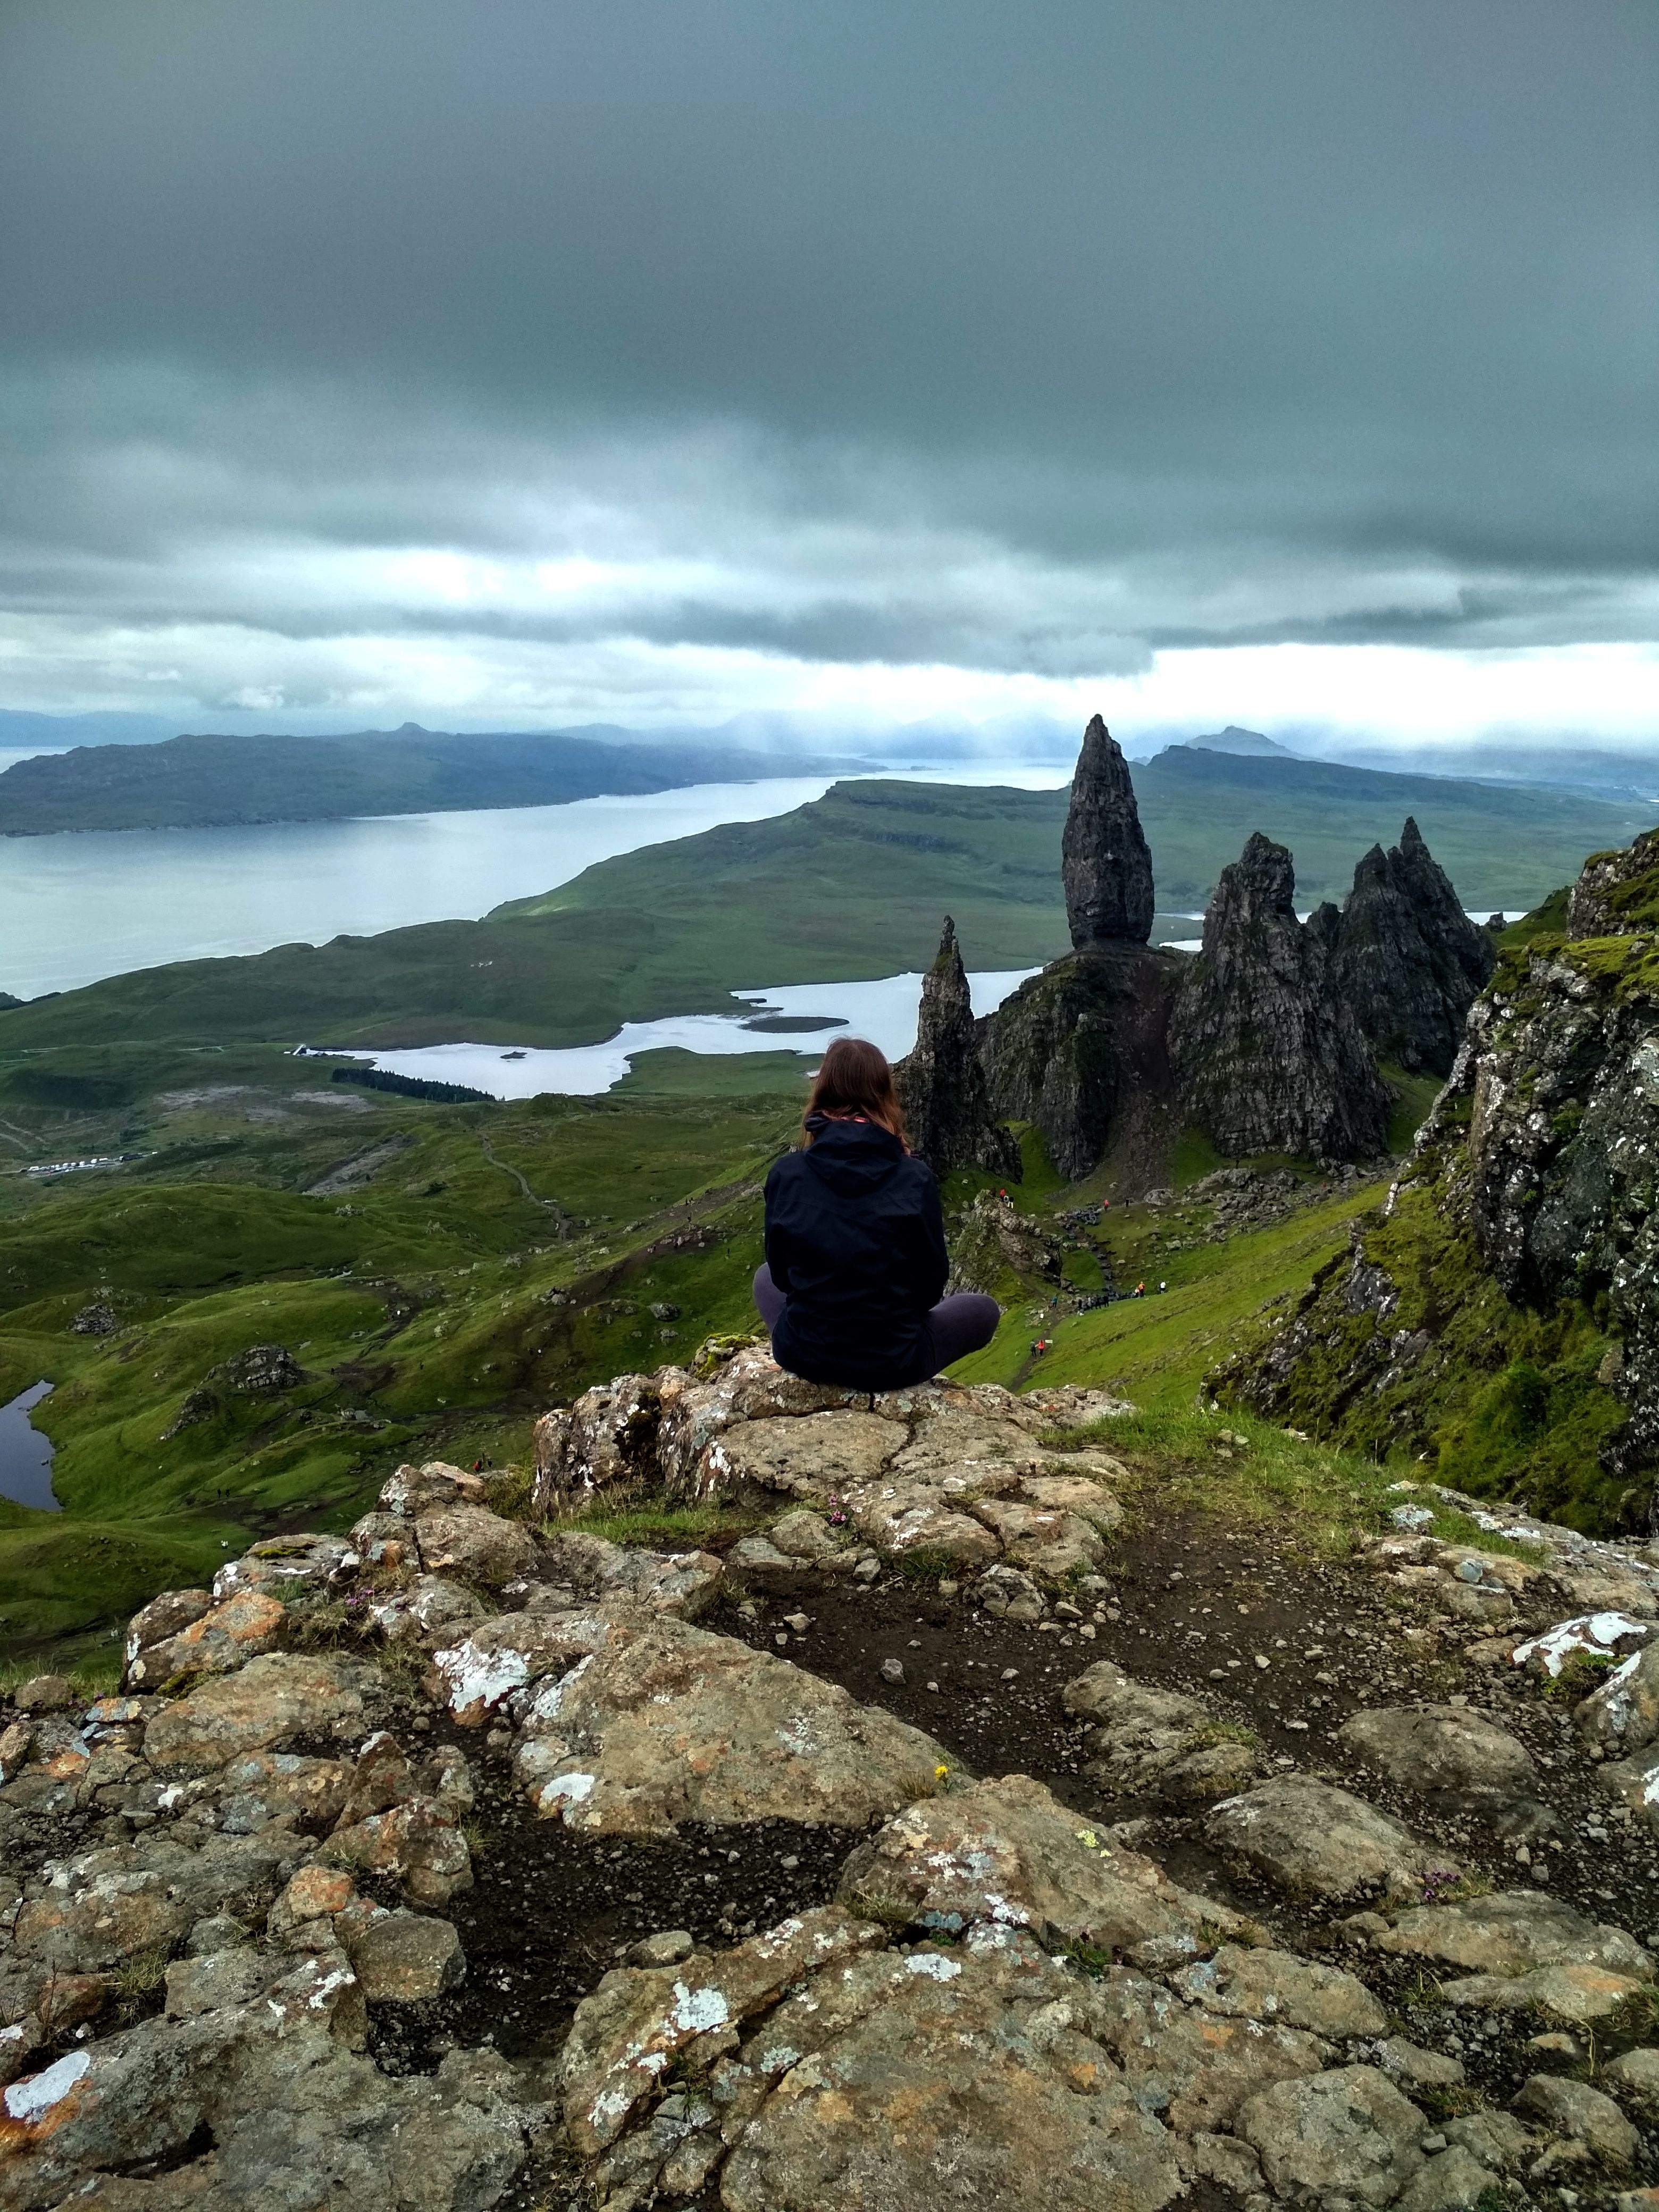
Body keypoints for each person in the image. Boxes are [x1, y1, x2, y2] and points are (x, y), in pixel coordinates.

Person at [754, 1036, 1001, 1390]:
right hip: (893, 1363)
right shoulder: (915, 1178)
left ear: (823, 1093)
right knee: (984, 1310)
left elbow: (782, 1276)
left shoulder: (787, 1173)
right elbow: (929, 1289)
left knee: (764, 1278)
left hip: (804, 1353)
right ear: (884, 1095)